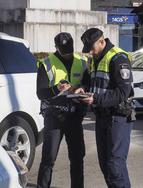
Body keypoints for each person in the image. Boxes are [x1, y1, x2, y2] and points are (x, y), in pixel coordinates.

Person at [79, 28, 134, 188]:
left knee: (114, 165)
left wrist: (95, 98)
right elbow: (91, 82)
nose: (90, 52)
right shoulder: (96, 58)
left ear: (102, 42)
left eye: (91, 48)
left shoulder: (118, 58)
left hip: (118, 117)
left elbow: (122, 92)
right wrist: (82, 88)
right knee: (105, 164)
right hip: (102, 116)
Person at [36, 32, 89, 188]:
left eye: (69, 50)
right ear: (56, 48)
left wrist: (80, 89)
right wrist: (56, 88)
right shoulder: (46, 63)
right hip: (54, 117)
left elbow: (88, 84)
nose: (67, 54)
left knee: (77, 158)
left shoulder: (82, 61)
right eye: (64, 50)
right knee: (48, 159)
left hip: (74, 116)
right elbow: (40, 93)